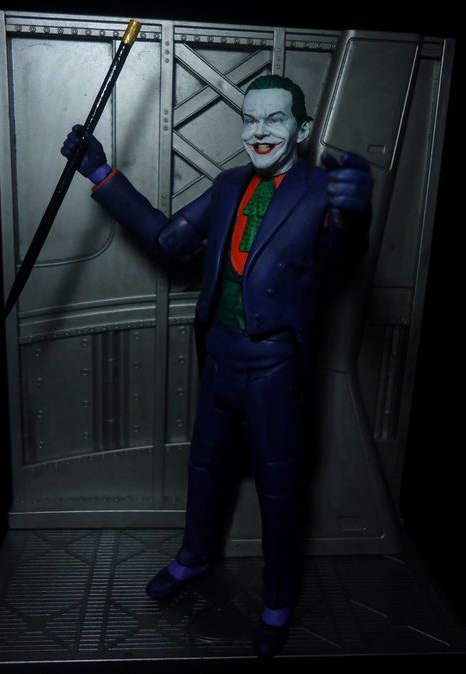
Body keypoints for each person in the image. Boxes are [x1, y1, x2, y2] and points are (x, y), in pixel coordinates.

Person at [62, 74, 373, 658]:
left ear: (303, 129)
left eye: (274, 119)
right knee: (205, 469)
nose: (259, 131)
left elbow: (342, 246)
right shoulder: (229, 184)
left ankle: (277, 599)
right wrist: (101, 174)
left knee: (280, 487)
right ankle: (195, 557)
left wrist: (356, 211)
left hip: (276, 365)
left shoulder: (321, 190)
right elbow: (169, 239)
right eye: (249, 119)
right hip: (221, 356)